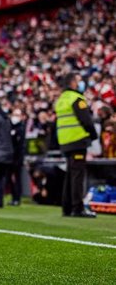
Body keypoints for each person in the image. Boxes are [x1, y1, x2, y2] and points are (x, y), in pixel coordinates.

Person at [55, 73, 98, 217]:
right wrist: (93, 135)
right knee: (77, 176)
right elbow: (86, 120)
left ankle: (67, 208)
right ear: (73, 83)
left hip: (65, 141)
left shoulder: (61, 99)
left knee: (70, 175)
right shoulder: (76, 98)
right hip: (78, 140)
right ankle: (77, 208)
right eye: (79, 80)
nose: (81, 83)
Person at [9, 109, 27, 206]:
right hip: (10, 157)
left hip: (17, 157)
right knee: (11, 179)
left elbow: (20, 145)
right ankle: (13, 197)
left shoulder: (21, 128)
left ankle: (17, 198)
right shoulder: (10, 127)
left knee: (17, 178)